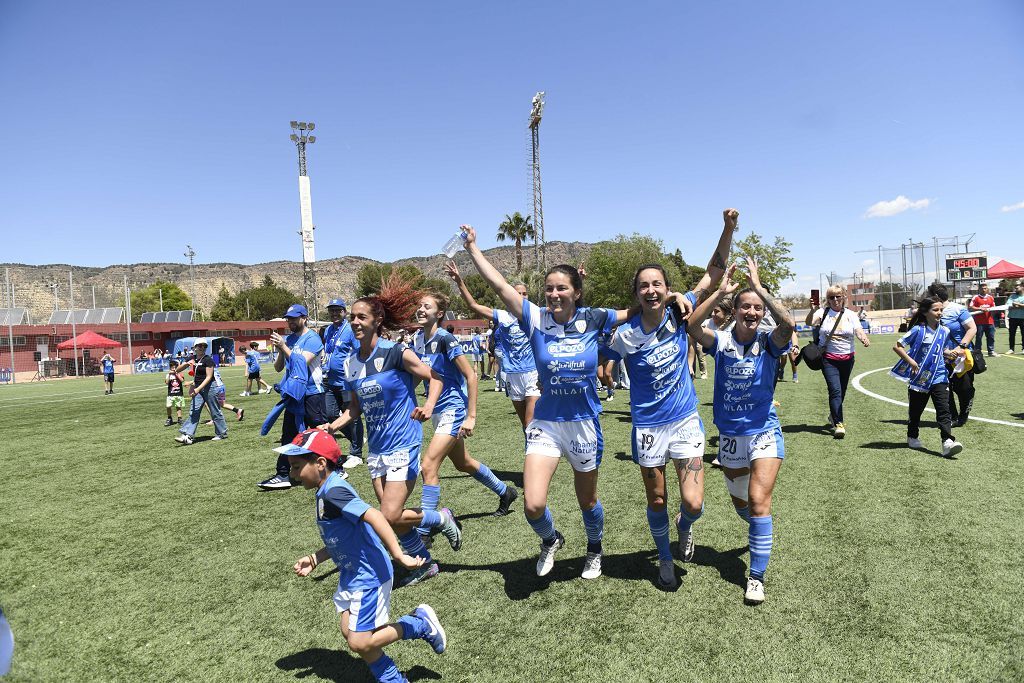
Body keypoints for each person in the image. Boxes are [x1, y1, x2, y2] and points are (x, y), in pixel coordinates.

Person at [463, 224, 638, 581]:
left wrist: (672, 297)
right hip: (546, 423)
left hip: (584, 422)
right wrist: (473, 250)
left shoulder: (594, 318)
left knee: (587, 501)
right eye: (549, 288)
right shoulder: (535, 318)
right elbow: (499, 286)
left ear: (576, 292)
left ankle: (594, 549)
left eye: (562, 288)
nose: (554, 294)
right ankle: (551, 539)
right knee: (533, 503)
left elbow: (634, 311)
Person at [609, 208, 736, 589]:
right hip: (647, 427)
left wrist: (727, 228)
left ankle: (685, 527)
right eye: (644, 285)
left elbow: (714, 271)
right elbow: (594, 357)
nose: (651, 290)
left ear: (667, 289)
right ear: (636, 294)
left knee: (692, 504)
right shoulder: (624, 335)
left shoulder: (680, 314)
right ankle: (664, 557)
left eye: (657, 284)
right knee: (658, 500)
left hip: (684, 420)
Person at [283, 429, 448, 683]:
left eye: (296, 467)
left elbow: (374, 515)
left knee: (359, 641)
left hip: (369, 574)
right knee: (350, 633)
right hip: (352, 575)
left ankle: (418, 624)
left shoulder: (334, 491)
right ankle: (393, 680)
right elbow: (343, 540)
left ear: (320, 463)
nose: (292, 474)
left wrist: (399, 554)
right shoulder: (324, 491)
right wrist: (315, 558)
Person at [323, 285, 462, 586]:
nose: (355, 322)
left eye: (361, 317)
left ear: (377, 320)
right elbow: (354, 410)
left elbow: (435, 377)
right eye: (352, 318)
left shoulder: (396, 352)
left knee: (388, 513)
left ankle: (440, 519)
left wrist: (428, 404)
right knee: (394, 519)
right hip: (377, 449)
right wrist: (332, 427)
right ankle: (423, 564)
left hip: (403, 441)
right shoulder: (350, 364)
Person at [689, 259, 794, 606]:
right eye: (746, 306)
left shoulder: (770, 341)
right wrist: (719, 291)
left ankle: (756, 577)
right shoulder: (719, 342)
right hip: (731, 437)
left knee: (760, 503)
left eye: (758, 308)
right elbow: (691, 325)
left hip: (765, 432)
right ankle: (753, 532)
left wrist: (760, 286)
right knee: (743, 505)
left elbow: (790, 323)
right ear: (734, 310)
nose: (752, 312)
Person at [412, 291, 520, 522]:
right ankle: (506, 492)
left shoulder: (445, 339)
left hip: (453, 410)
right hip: (437, 412)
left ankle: (425, 529)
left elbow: (471, 375)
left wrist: (471, 416)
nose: (421, 309)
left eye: (427, 306)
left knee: (428, 467)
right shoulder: (418, 339)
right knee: (463, 463)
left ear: (439, 314)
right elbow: (421, 376)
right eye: (419, 305)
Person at [446, 262, 539, 429]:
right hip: (512, 374)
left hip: (533, 372)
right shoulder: (501, 316)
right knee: (526, 427)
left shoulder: (535, 314)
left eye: (525, 294)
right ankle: (531, 453)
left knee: (531, 423)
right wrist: (459, 281)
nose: (522, 297)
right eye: (518, 293)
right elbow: (473, 305)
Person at [258, 304, 328, 490]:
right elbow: (278, 367)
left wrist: (284, 346)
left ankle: (332, 466)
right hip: (293, 393)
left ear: (304, 318)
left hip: (312, 392)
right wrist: (281, 349)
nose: (290, 322)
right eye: (288, 319)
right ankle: (284, 473)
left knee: (318, 431)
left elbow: (301, 363)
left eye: (294, 318)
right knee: (289, 434)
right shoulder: (290, 339)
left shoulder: (312, 339)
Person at [891, 298, 965, 457]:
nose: (939, 313)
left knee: (943, 410)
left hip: (940, 376)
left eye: (941, 310)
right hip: (920, 378)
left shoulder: (944, 331)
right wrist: (911, 362)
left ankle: (947, 442)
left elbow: (940, 349)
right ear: (925, 312)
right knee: (916, 412)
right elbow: (897, 346)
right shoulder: (918, 330)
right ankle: (912, 436)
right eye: (935, 310)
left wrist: (949, 353)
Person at [804, 285, 870, 438]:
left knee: (842, 391)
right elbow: (809, 323)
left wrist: (863, 338)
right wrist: (812, 310)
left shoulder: (851, 315)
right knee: (835, 390)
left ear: (844, 297)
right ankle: (839, 423)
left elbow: (858, 330)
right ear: (827, 300)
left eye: (838, 296)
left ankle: (833, 415)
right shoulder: (822, 312)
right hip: (828, 359)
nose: (835, 300)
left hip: (848, 358)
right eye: (831, 297)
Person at [322, 298, 365, 469]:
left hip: (347, 381)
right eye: (331, 310)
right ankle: (357, 440)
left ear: (344, 312)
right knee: (331, 414)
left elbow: (359, 352)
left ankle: (356, 453)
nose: (334, 313)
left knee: (352, 416)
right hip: (330, 380)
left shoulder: (350, 330)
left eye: (337, 310)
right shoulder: (327, 331)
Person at [927, 283, 978, 427]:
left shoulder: (958, 309)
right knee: (943, 388)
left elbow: (972, 328)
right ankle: (952, 417)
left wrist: (961, 347)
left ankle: (963, 414)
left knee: (964, 389)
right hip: (941, 357)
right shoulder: (929, 311)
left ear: (936, 296)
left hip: (961, 357)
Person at [175, 339, 228, 445]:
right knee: (194, 410)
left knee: (214, 410)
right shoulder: (191, 358)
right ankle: (188, 435)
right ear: (195, 347)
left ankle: (222, 433)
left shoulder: (208, 360)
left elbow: (209, 377)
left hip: (210, 387)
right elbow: (177, 370)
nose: (202, 348)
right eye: (200, 346)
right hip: (197, 387)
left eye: (204, 346)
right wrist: (186, 364)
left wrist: (198, 389)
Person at [969, 283, 997, 356]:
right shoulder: (976, 297)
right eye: (982, 288)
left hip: (990, 322)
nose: (984, 290)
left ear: (987, 289)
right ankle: (978, 352)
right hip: (979, 322)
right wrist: (980, 308)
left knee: (991, 337)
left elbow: (994, 308)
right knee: (978, 337)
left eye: (985, 288)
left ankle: (991, 351)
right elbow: (971, 307)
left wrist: (992, 312)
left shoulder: (990, 297)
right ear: (979, 289)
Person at [164, 361, 185, 426]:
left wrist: (177, 373)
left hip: (178, 393)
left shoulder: (179, 373)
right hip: (170, 393)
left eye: (175, 367)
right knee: (168, 406)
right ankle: (169, 418)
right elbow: (167, 382)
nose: (173, 369)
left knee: (178, 406)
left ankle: (179, 418)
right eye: (172, 368)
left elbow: (182, 380)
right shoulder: (168, 375)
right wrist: (170, 374)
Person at [1007, 282, 1024, 354]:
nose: (1016, 288)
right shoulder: (1012, 296)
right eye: (1015, 287)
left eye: (1017, 287)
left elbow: (1014, 305)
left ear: (1022, 287)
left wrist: (1017, 304)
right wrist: (1020, 306)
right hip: (1012, 318)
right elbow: (1008, 305)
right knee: (1011, 334)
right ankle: (1011, 349)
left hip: (1022, 318)